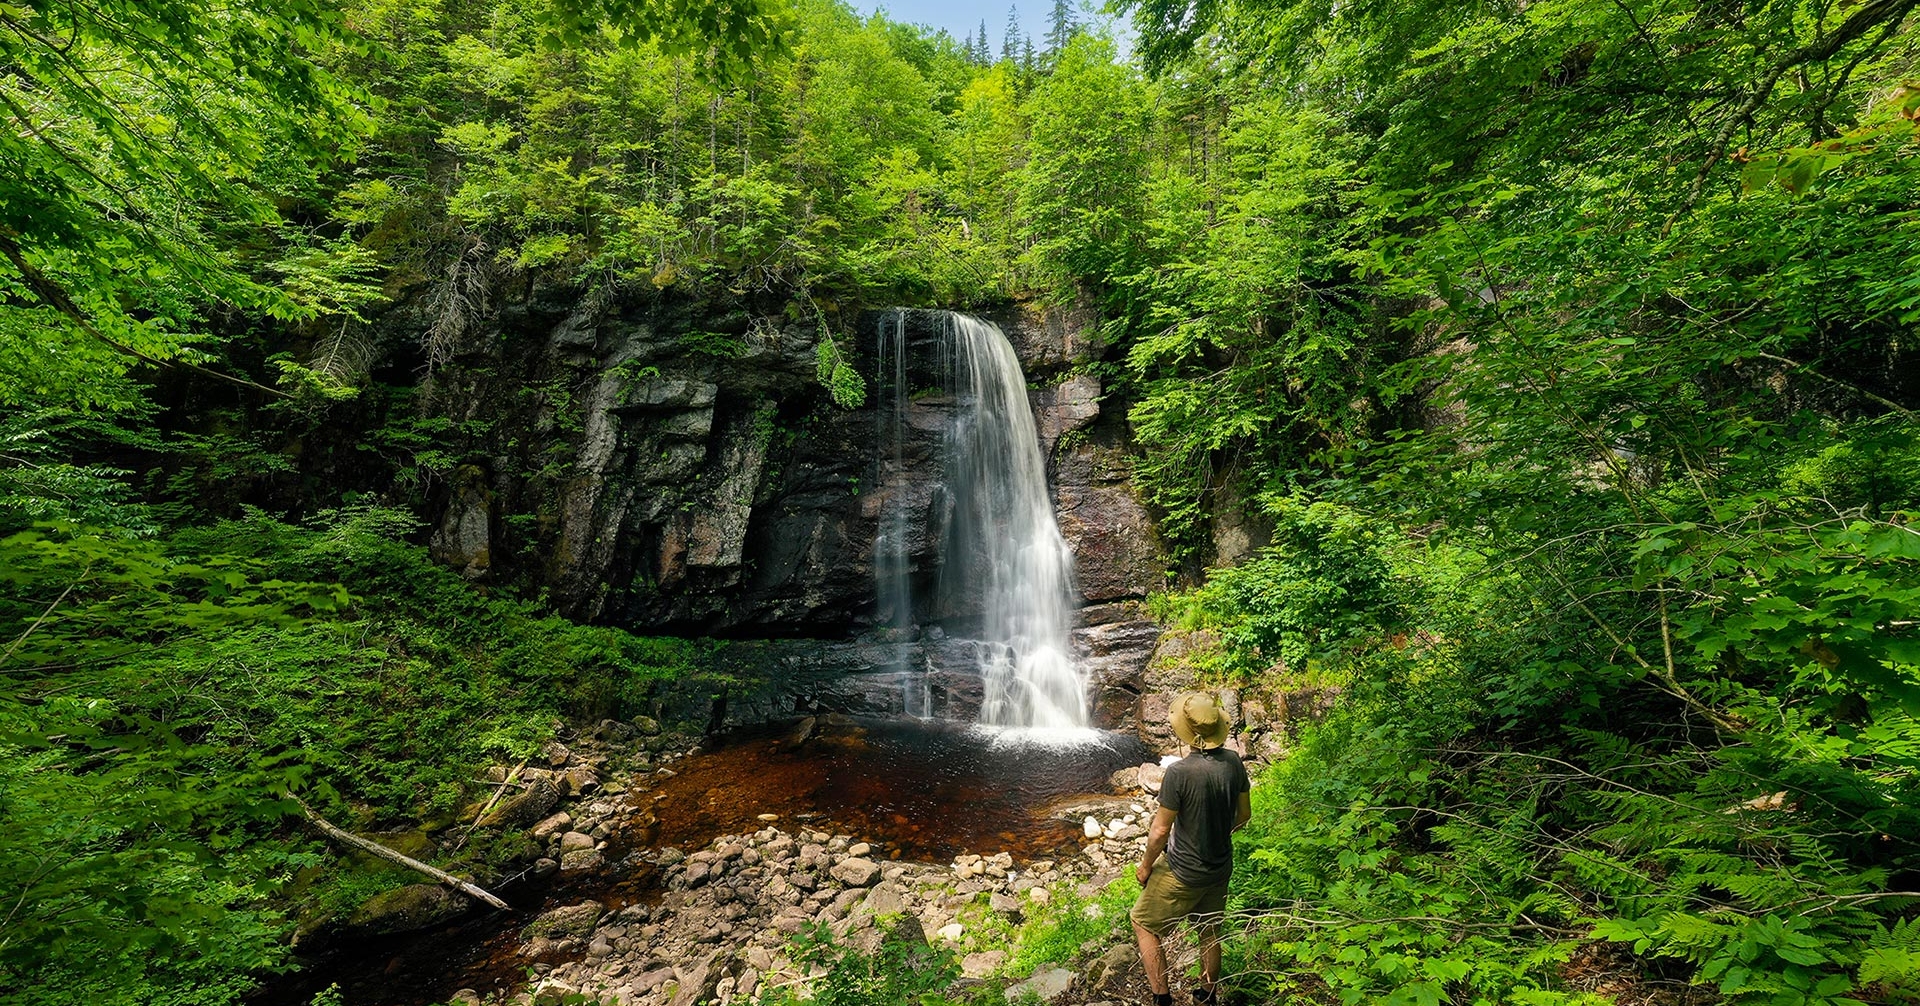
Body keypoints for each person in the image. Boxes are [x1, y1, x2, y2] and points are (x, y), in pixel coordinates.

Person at [1131, 692, 1252, 1006]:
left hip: (1183, 872)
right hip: (1221, 865)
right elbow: (1244, 815)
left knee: (1143, 922)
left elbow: (1159, 831)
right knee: (1209, 929)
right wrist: (1216, 834)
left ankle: (1162, 998)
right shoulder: (1234, 763)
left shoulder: (1179, 773)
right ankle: (1206, 995)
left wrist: (1145, 866)